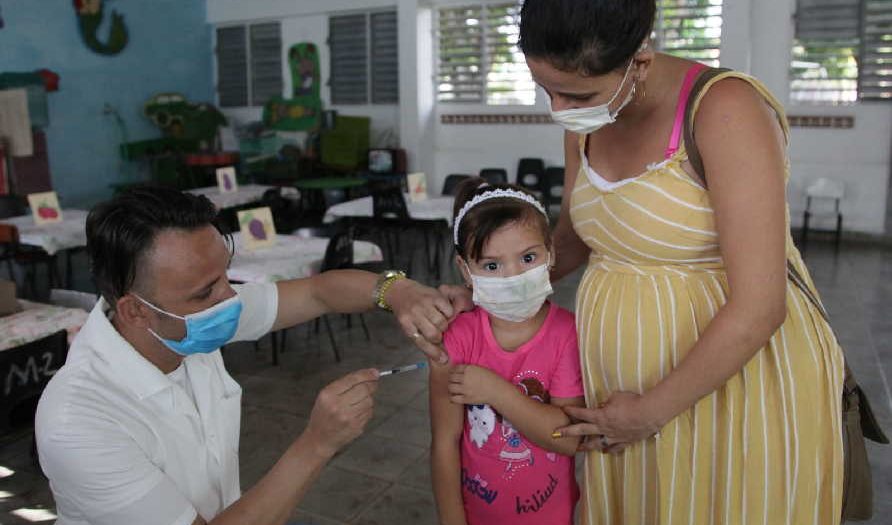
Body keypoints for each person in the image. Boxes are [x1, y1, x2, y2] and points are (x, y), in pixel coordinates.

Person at [428, 1, 846, 523]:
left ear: (640, 62)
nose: (559, 107)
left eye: (575, 94)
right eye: (546, 89)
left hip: (723, 386)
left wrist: (649, 412)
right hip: (622, 397)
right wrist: (498, 289)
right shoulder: (589, 118)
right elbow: (581, 233)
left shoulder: (724, 109)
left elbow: (760, 307)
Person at [35, 186, 463, 525]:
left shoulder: (186, 321)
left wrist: (398, 291)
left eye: (226, 275)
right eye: (207, 290)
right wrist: (317, 443)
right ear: (134, 309)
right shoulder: (79, 421)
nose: (230, 298)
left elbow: (318, 291)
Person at [429, 179, 585, 525]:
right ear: (465, 271)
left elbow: (569, 438)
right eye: (491, 266)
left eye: (528, 257)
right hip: (476, 514)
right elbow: (444, 442)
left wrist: (496, 392)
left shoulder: (567, 334)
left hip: (551, 516)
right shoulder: (457, 338)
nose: (513, 276)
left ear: (551, 253)